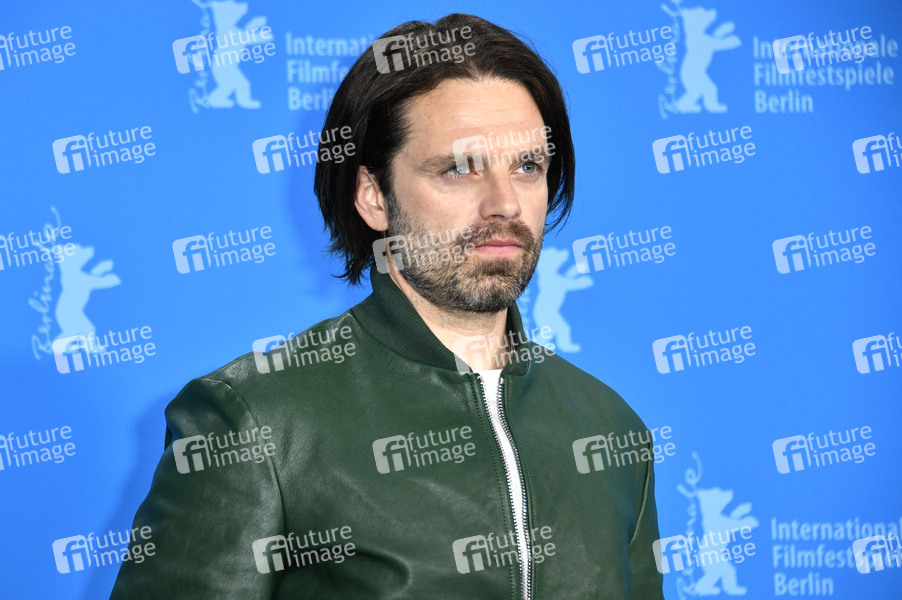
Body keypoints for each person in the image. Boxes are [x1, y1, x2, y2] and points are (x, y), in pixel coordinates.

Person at [111, 13, 664, 599]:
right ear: (373, 196)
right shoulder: (254, 422)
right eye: (460, 168)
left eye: (527, 167)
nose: (504, 203)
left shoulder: (610, 429)